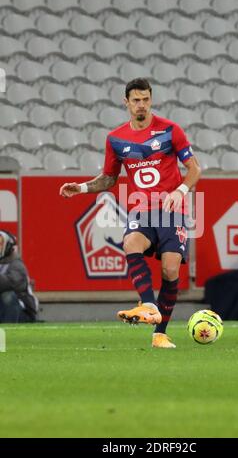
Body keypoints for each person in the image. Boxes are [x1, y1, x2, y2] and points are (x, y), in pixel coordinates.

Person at [60, 78, 201, 348]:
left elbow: (195, 169)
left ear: (151, 100)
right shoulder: (115, 139)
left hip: (173, 210)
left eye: (146, 99)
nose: (142, 105)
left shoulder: (171, 131)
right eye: (136, 100)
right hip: (142, 209)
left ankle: (159, 333)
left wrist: (180, 191)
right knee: (130, 242)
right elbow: (109, 179)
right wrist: (80, 187)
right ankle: (148, 303)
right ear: (126, 102)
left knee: (171, 269)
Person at [0, 230, 39, 323]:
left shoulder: (16, 264)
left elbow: (11, 283)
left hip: (23, 314)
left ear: (7, 246)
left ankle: (9, 332)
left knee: (8, 296)